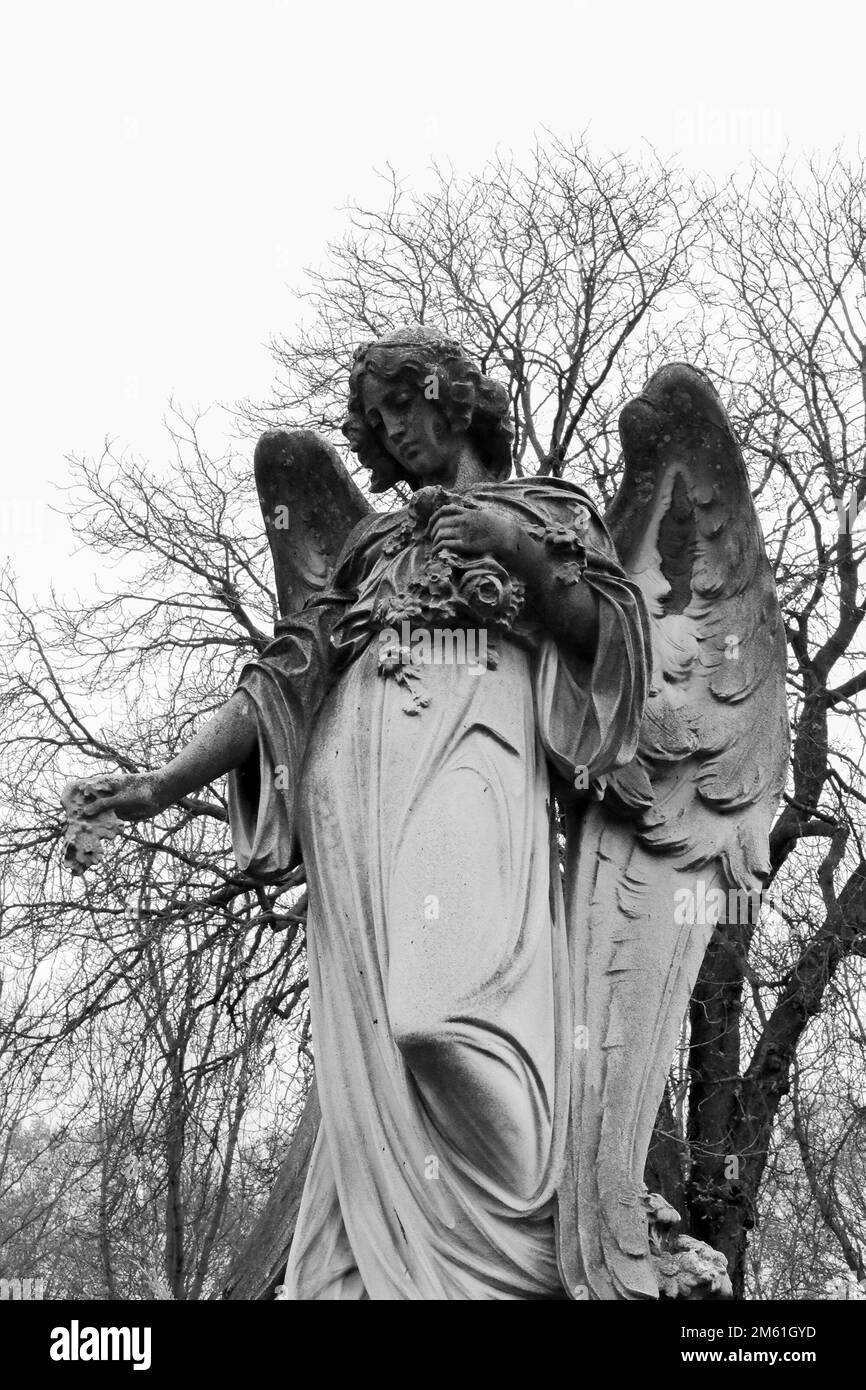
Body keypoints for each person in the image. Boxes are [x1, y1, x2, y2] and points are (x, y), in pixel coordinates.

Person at [80, 325, 650, 1299]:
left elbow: (610, 640)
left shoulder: (548, 508)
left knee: (438, 1016)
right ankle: (390, 1269)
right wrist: (163, 783)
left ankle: (528, 1246)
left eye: (401, 405)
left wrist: (509, 544)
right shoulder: (369, 545)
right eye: (377, 420)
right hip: (356, 786)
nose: (391, 432)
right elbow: (287, 676)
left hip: (476, 742)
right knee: (376, 1055)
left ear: (450, 399)